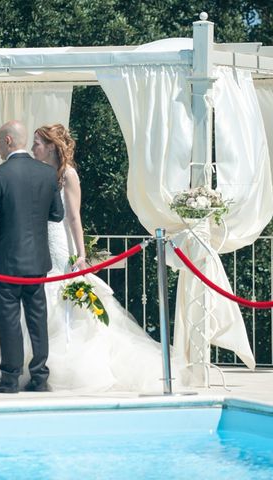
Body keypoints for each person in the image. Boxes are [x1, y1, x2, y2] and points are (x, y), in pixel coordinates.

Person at [27, 123, 188, 392]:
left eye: (37, 144)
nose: (33, 149)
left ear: (52, 146)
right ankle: (40, 364)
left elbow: (74, 216)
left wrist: (81, 254)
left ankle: (68, 364)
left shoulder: (68, 174)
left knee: (61, 297)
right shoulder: (41, 174)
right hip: (41, 241)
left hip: (60, 243)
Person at [0, 120, 64, 394]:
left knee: (9, 321)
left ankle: (10, 378)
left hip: (7, 260)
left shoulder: (0, 174)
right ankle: (39, 376)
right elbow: (57, 214)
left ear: (7, 141)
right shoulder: (47, 174)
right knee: (37, 320)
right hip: (37, 261)